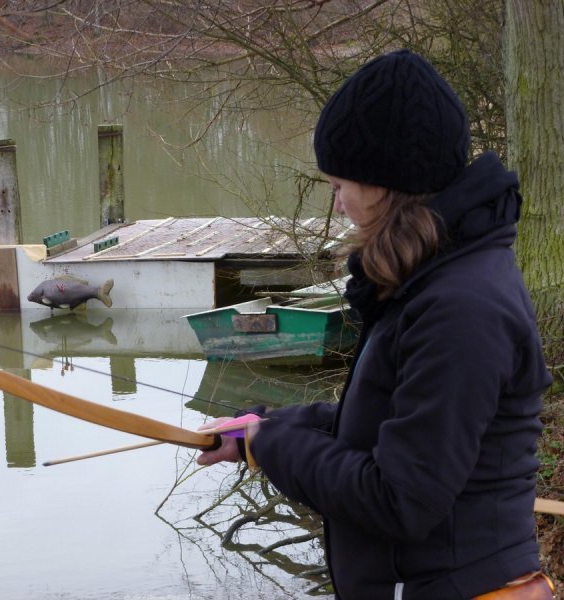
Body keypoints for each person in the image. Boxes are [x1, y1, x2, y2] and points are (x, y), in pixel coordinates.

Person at [197, 50, 554, 599]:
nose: (339, 204)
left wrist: (273, 445)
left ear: (384, 183)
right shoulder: (432, 281)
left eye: (341, 184)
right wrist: (261, 427)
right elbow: (393, 422)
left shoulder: (461, 307)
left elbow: (399, 500)